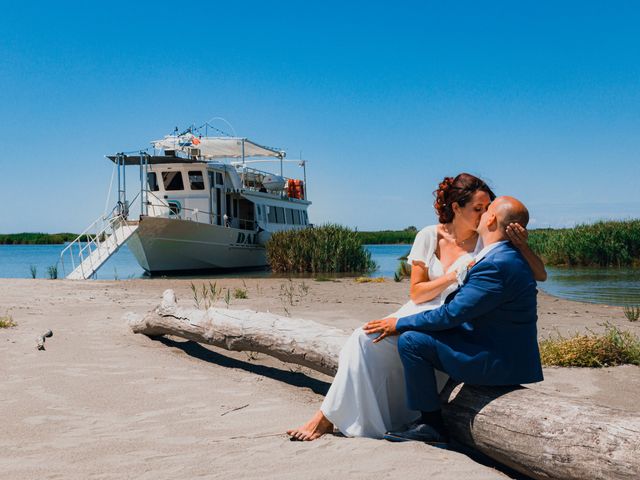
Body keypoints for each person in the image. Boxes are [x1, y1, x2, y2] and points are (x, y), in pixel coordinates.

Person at [287, 174, 546, 441]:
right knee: (361, 341)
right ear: (456, 208)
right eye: (477, 209)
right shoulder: (434, 235)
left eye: (486, 209)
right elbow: (418, 292)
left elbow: (537, 274)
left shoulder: (491, 245)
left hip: (455, 317)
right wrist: (452, 276)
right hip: (429, 307)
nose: (482, 215)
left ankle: (377, 418)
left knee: (400, 342)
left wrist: (522, 245)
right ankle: (330, 416)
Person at [365, 196, 543, 445]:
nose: (481, 212)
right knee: (431, 334)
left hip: (498, 361)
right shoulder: (504, 254)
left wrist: (399, 323)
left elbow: (451, 315)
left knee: (413, 342)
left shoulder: (496, 264)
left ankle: (431, 423)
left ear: (491, 218)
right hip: (504, 351)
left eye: (486, 209)